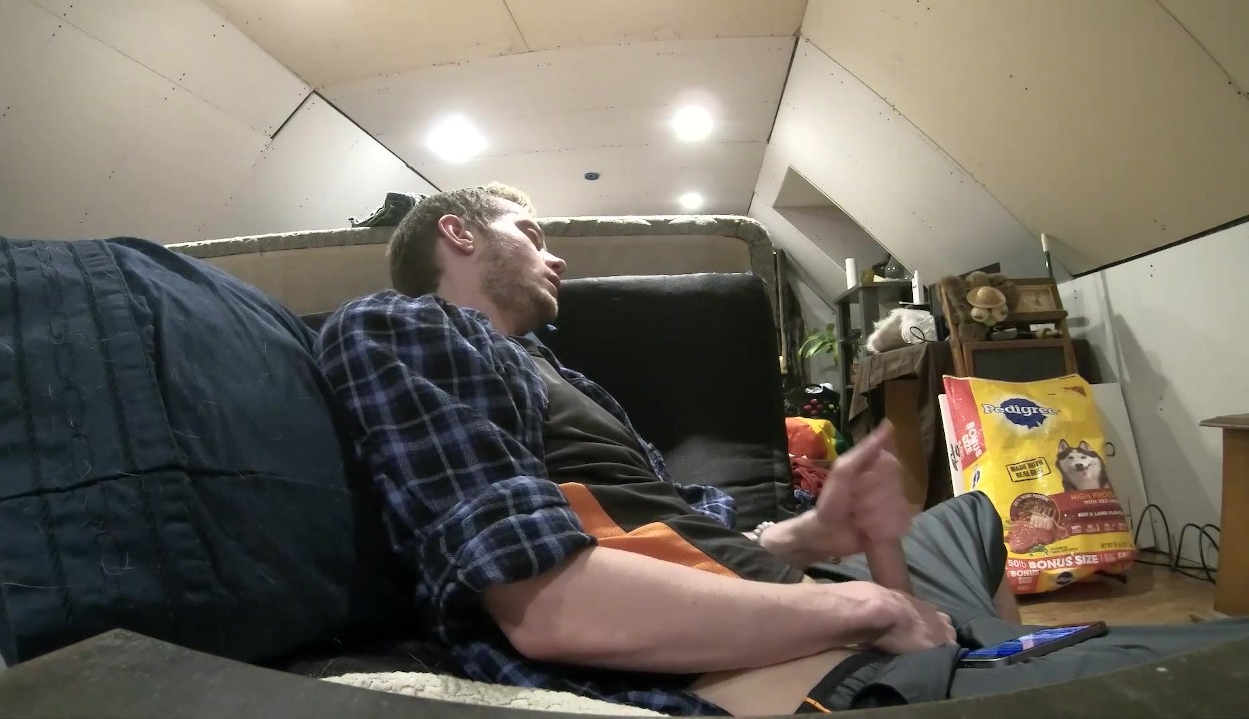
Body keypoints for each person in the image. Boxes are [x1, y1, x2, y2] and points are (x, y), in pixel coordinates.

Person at [314, 183, 1249, 716]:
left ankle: (983, 656)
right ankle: (966, 669)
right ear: (458, 233)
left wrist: (816, 531)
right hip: (764, 661)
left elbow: (674, 526)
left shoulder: (556, 372)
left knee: (970, 514)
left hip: (786, 590)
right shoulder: (401, 327)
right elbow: (545, 606)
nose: (555, 256)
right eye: (532, 234)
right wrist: (863, 605)